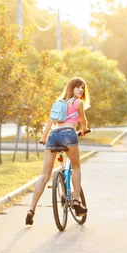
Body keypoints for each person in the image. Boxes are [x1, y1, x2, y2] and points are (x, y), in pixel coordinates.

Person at [25, 77, 90, 225]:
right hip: (68, 134)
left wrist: (43, 138)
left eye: (82, 88)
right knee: (76, 167)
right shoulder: (78, 103)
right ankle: (77, 201)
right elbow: (83, 121)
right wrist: (84, 130)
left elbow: (50, 122)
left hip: (53, 136)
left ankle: (31, 210)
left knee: (44, 175)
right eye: (78, 87)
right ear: (71, 88)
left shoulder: (58, 103)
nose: (81, 90)